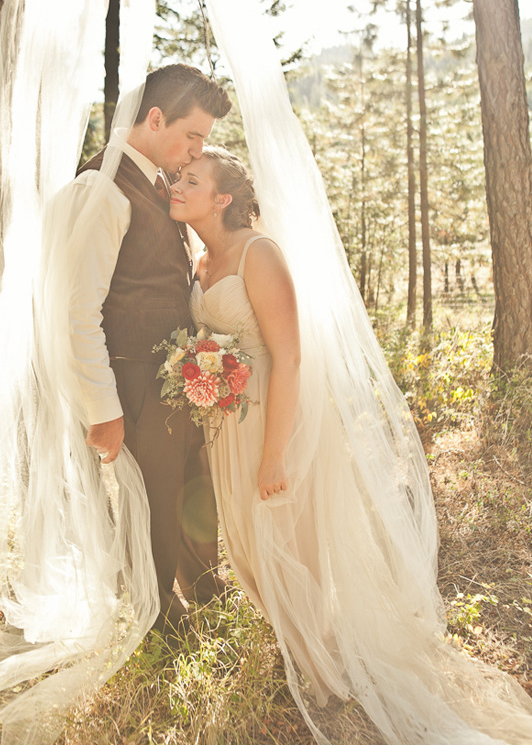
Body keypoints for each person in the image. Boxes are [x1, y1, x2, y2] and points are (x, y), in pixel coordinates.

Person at [169, 146, 532, 745]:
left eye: (191, 179)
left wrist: (275, 453)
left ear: (223, 197)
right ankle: (297, 651)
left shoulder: (260, 254)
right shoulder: (201, 258)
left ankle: (326, 669)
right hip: (225, 421)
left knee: (286, 538)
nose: (177, 185)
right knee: (248, 540)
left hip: (270, 420)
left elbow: (288, 356)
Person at [72, 64, 232, 634]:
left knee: (193, 495)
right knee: (155, 512)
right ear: (156, 118)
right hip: (134, 385)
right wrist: (103, 411)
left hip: (176, 379)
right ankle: (155, 630)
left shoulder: (162, 183)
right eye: (192, 137)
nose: (196, 152)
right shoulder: (99, 188)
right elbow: (77, 312)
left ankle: (206, 604)